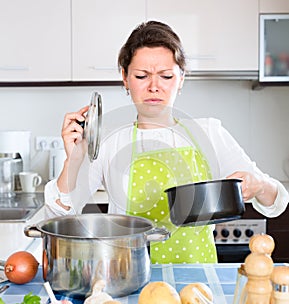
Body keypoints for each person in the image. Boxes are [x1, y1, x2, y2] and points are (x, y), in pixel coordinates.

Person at [45, 21, 289, 264]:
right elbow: (59, 212)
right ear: (125, 78)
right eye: (142, 76)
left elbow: (277, 202)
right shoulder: (108, 142)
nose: (154, 87)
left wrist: (257, 185)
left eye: (166, 76)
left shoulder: (210, 133)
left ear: (181, 78)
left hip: (197, 285)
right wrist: (74, 159)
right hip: (129, 280)